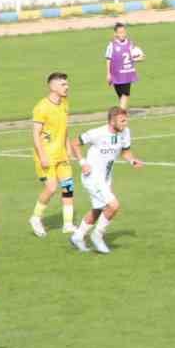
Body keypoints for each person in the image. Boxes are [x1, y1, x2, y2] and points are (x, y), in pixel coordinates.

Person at [71, 108, 144, 255]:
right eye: (122, 120)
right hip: (92, 177)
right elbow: (75, 143)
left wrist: (132, 160)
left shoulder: (125, 132)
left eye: (126, 120)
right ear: (112, 121)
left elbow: (125, 151)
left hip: (105, 178)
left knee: (98, 211)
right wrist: (83, 163)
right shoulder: (97, 133)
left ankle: (78, 236)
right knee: (113, 205)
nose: (125, 123)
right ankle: (97, 236)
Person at [29, 71, 82, 237]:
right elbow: (35, 134)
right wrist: (42, 156)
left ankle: (67, 224)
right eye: (63, 84)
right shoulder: (41, 107)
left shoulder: (65, 103)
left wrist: (67, 148)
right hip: (46, 155)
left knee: (68, 187)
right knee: (51, 188)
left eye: (67, 84)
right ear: (52, 86)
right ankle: (35, 218)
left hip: (61, 155)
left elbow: (64, 128)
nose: (67, 87)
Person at [104, 22, 143, 111]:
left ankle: (121, 114)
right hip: (116, 75)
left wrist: (138, 58)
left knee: (125, 95)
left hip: (127, 74)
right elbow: (108, 59)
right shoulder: (112, 45)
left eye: (124, 32)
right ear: (115, 34)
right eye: (120, 32)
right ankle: (121, 113)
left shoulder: (130, 44)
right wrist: (108, 74)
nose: (122, 34)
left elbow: (138, 56)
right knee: (121, 96)